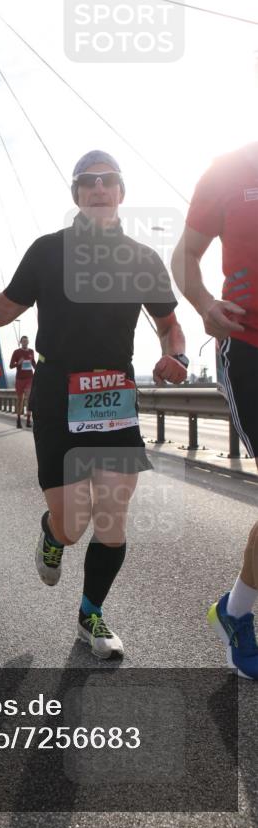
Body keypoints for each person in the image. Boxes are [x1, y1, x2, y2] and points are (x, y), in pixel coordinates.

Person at [0, 150, 188, 659]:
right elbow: (0, 308)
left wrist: (177, 354)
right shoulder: (48, 251)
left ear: (121, 192)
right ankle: (50, 534)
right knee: (74, 524)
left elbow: (168, 322)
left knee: (113, 515)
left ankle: (91, 616)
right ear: (77, 194)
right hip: (60, 394)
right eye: (88, 182)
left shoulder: (143, 258)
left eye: (109, 181)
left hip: (116, 396)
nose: (99, 188)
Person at [172, 141, 258, 679]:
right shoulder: (229, 170)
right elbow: (184, 254)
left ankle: (234, 610)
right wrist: (204, 304)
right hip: (250, 347)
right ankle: (237, 612)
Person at [10, 335, 36, 429]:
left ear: (28, 342)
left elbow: (33, 363)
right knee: (20, 400)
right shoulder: (16, 352)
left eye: (26, 341)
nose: (25, 342)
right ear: (21, 342)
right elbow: (11, 366)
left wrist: (39, 371)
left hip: (30, 378)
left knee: (29, 398)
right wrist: (18, 363)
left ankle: (28, 420)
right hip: (19, 379)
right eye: (23, 341)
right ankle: (18, 420)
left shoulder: (31, 351)